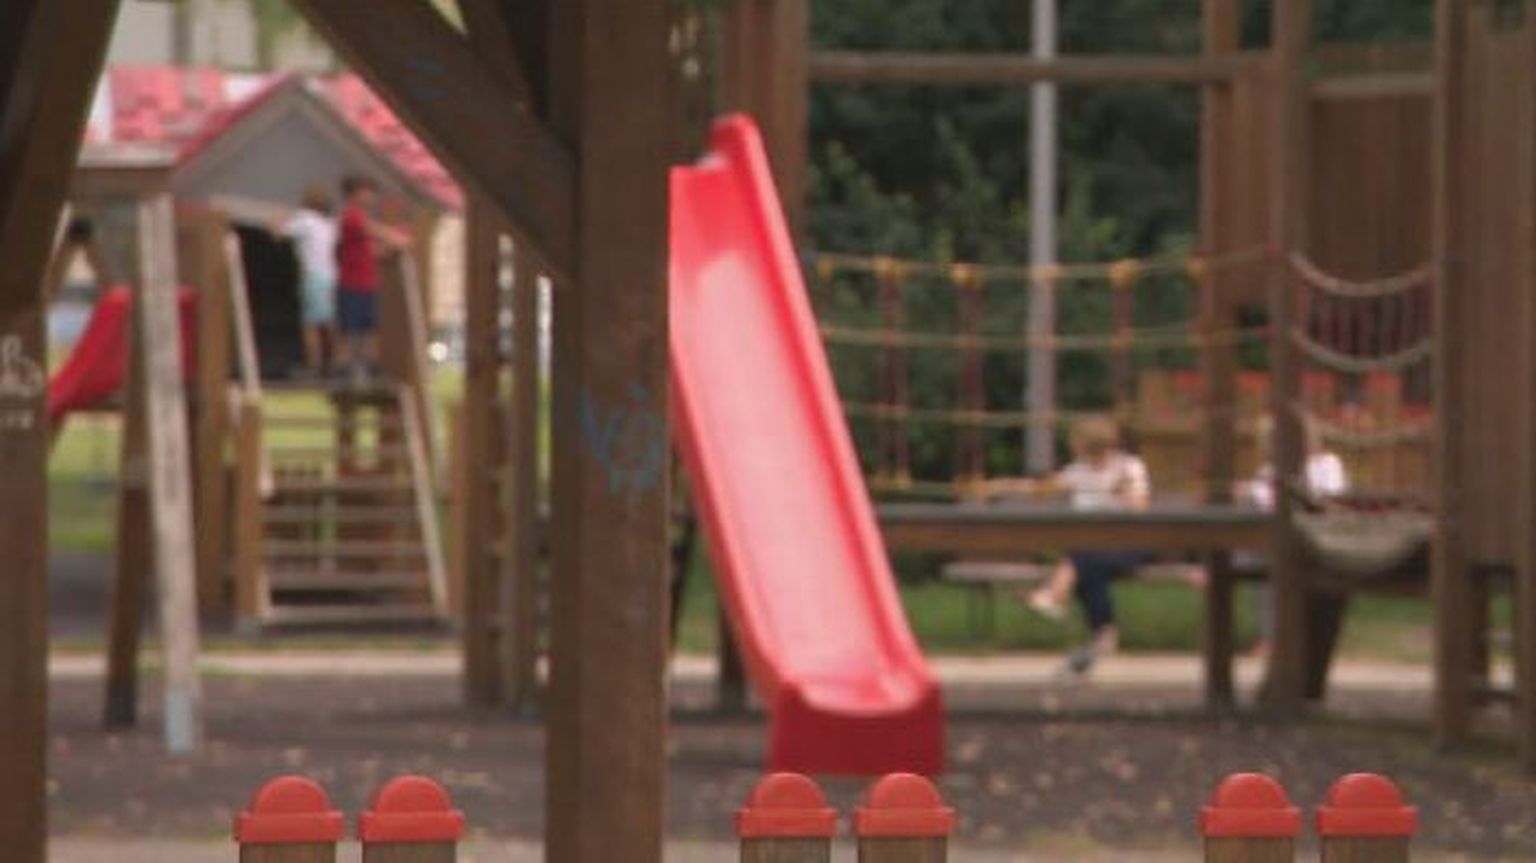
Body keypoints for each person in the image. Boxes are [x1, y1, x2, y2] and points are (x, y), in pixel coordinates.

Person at [980, 416, 1152, 675]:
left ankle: (1058, 598)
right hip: (1092, 548)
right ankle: (1101, 632)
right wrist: (1000, 486)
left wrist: (1118, 494)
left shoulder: (1129, 468)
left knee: (1081, 559)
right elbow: (1039, 490)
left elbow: (1140, 508)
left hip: (1128, 544)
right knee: (1086, 563)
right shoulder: (1078, 472)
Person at [1236, 415, 1348, 659]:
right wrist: (1252, 491)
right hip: (1278, 538)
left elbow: (1329, 502)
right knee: (1265, 560)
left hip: (1316, 537)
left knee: (1269, 560)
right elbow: (1265, 503)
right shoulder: (1269, 471)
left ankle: (1227, 564)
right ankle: (1270, 637)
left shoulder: (1327, 465)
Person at [334, 175, 410, 384]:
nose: (372, 197)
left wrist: (389, 248)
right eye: (367, 192)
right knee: (351, 330)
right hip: (352, 283)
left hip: (367, 283)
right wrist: (396, 237)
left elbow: (371, 250)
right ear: (355, 194)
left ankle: (368, 367)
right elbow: (374, 230)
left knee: (368, 329)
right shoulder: (352, 216)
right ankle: (345, 370)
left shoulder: (361, 219)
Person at [283, 184, 338, 377]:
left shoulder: (305, 220)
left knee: (311, 323)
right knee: (328, 321)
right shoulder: (329, 223)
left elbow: (280, 232)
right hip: (331, 275)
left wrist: (277, 216)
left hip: (313, 275)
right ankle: (331, 363)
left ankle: (313, 364)